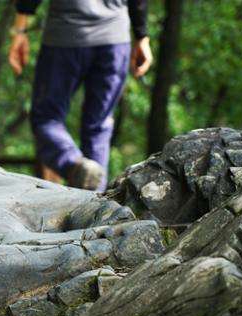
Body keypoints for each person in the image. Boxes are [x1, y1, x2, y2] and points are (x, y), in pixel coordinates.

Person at [9, 0, 152, 191]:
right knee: (99, 127)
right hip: (114, 40)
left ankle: (73, 164)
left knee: (46, 118)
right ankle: (95, 206)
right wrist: (142, 35)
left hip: (64, 38)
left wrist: (20, 30)